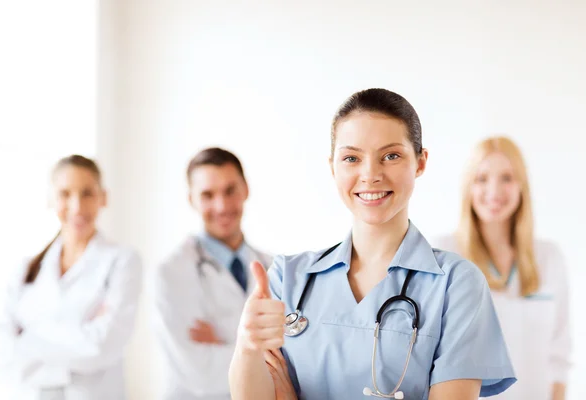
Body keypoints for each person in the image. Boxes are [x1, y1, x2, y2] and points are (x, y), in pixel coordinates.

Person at [228, 88, 517, 400]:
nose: (370, 175)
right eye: (352, 158)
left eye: (391, 156)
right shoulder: (287, 278)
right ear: (332, 166)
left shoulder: (456, 284)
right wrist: (247, 344)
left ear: (420, 162)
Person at [0, 155, 143, 399]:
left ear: (104, 198)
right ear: (51, 199)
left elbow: (101, 347)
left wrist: (28, 336)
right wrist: (78, 336)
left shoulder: (122, 261)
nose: (77, 206)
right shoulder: (24, 270)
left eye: (87, 193)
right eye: (65, 194)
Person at [432, 136, 572, 400]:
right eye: (482, 179)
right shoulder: (444, 254)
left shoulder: (550, 257)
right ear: (468, 188)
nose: (494, 191)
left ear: (522, 187)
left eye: (507, 178)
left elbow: (560, 355)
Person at [150, 147, 273, 400]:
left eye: (230, 191)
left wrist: (223, 343)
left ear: (245, 189)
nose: (222, 205)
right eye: (207, 195)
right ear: (191, 200)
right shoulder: (170, 273)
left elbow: (293, 360)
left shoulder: (273, 267)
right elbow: (199, 373)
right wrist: (262, 351)